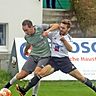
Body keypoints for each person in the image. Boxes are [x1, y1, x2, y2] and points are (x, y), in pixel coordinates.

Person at [16, 19, 96, 96]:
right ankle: (24, 91)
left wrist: (64, 41)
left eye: (63, 28)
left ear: (68, 29)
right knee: (39, 74)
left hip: (64, 61)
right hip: (53, 61)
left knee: (81, 78)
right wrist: (46, 32)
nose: (61, 29)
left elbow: (70, 49)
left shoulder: (68, 38)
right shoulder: (54, 34)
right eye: (60, 27)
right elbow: (43, 34)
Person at [3, 19, 59, 96]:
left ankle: (34, 94)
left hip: (44, 56)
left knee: (37, 73)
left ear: (31, 27)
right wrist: (26, 50)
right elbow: (29, 44)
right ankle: (6, 86)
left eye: (26, 30)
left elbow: (56, 25)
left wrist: (48, 31)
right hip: (33, 56)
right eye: (24, 30)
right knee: (21, 75)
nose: (25, 32)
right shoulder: (27, 36)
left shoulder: (40, 28)